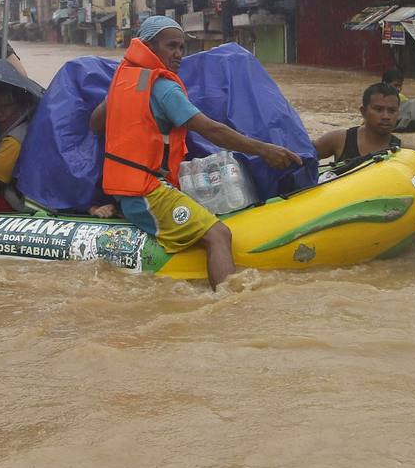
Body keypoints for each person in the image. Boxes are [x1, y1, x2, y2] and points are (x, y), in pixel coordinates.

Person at [89, 15, 302, 289]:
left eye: (181, 47)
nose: (179, 54)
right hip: (145, 191)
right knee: (218, 234)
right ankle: (227, 307)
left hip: (127, 186)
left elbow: (95, 124)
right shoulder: (163, 88)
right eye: (171, 46)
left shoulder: (124, 80)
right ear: (150, 47)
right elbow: (211, 130)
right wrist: (263, 149)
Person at [312, 82, 404, 165]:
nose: (386, 116)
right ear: (363, 112)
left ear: (398, 113)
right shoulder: (339, 140)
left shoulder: (405, 152)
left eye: (392, 111)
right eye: (378, 110)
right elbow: (303, 158)